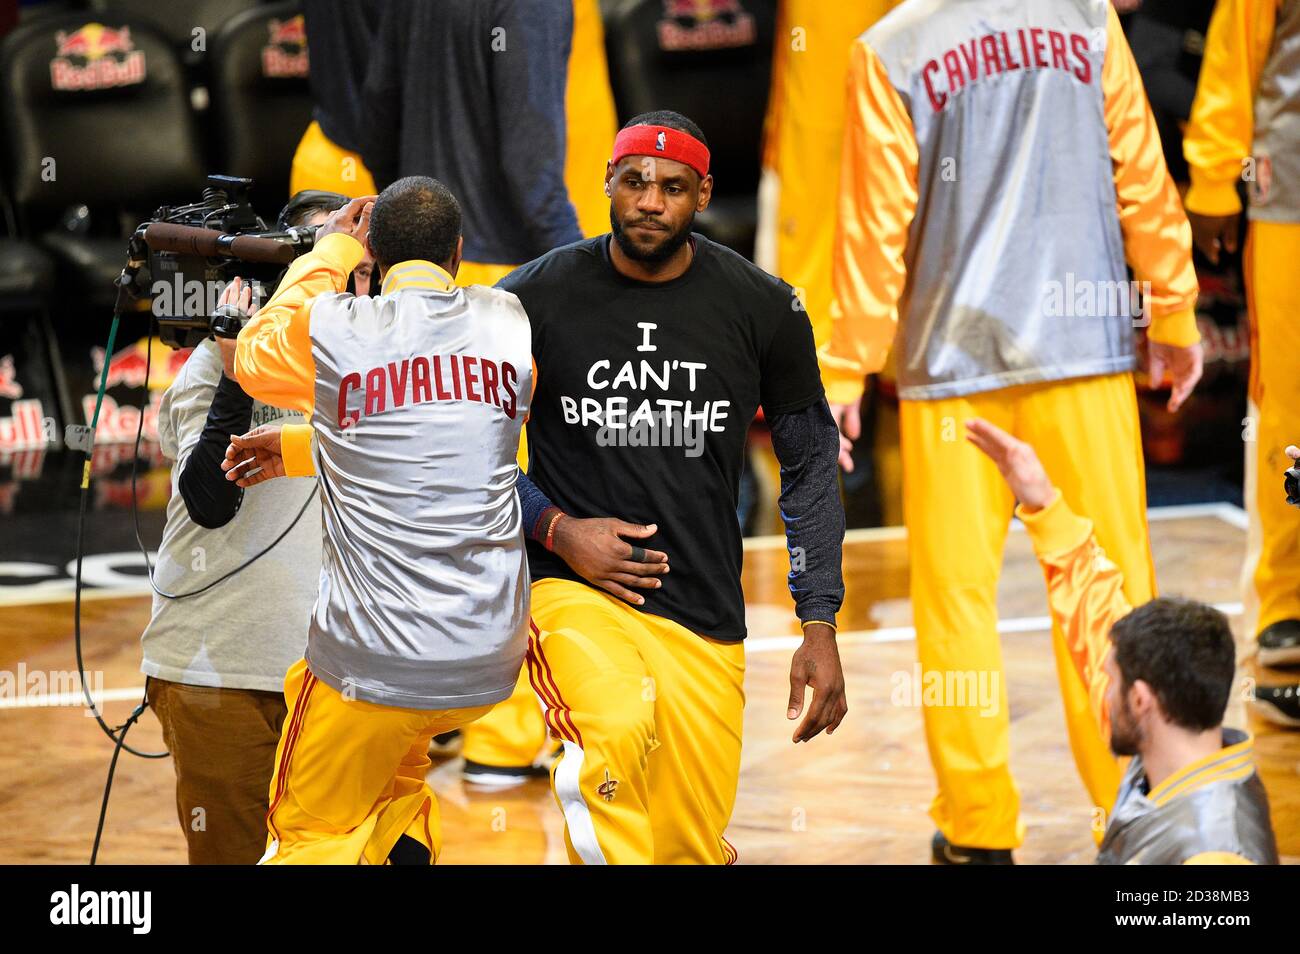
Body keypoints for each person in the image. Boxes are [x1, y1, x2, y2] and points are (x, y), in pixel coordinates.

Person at [822, 0, 1203, 862]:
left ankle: (978, 830)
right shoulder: (1086, 20)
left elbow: (874, 226)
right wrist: (1173, 308)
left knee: (957, 610)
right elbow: (1143, 175)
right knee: (1113, 592)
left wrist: (846, 366)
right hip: (1084, 356)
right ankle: (1134, 812)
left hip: (953, 374)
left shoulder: (890, 48)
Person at [498, 110, 847, 864]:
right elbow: (462, 452)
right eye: (635, 182)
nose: (650, 201)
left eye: (672, 187)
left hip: (704, 611)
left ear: (703, 194)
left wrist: (818, 619)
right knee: (614, 730)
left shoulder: (763, 305)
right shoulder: (530, 298)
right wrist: (557, 528)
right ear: (609, 184)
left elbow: (811, 460)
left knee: (689, 846)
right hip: (571, 591)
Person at [228, 182, 533, 864]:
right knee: (392, 790)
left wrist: (330, 245)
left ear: (377, 255)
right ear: (459, 253)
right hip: (487, 663)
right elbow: (441, 434)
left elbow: (254, 357)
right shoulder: (507, 322)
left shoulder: (342, 329)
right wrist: (304, 450)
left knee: (309, 832)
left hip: (376, 664)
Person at [139, 192, 367, 864]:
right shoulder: (211, 369)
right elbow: (211, 499)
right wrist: (239, 362)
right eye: (322, 264)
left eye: (355, 269)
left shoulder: (379, 368)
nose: (340, 285)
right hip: (224, 675)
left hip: (334, 680)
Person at [967, 417, 1278, 864]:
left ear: (1141, 700)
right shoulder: (1173, 766)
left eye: (1109, 682)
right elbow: (1098, 622)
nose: (1099, 685)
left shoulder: (1214, 854)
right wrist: (1044, 505)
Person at [1183, 0, 1300, 726]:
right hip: (1289, 199)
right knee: (1290, 405)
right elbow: (1238, 40)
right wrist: (1213, 175)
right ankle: (1287, 614)